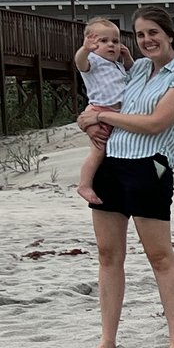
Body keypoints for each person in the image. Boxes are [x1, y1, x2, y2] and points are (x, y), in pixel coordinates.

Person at [79, 5, 174, 348]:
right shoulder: (137, 68)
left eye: (153, 33)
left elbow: (155, 123)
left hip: (153, 165)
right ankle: (108, 340)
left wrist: (100, 116)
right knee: (108, 255)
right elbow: (103, 99)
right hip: (112, 163)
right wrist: (88, 119)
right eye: (141, 34)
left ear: (169, 35)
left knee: (159, 254)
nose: (147, 40)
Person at [71, 16, 133, 206]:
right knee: (98, 151)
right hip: (99, 110)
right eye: (104, 41)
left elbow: (132, 71)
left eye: (115, 41)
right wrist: (85, 49)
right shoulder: (94, 61)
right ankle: (84, 185)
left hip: (114, 114)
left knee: (109, 151)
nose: (111, 45)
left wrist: (127, 57)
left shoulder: (117, 65)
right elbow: (80, 64)